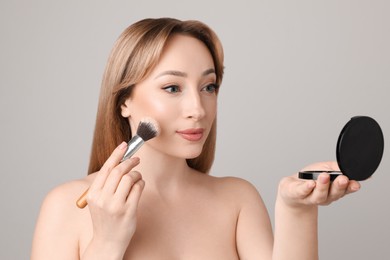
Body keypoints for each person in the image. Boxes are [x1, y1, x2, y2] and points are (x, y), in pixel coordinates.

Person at [31, 17, 360, 260]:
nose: (197, 108)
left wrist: (296, 210)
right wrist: (107, 242)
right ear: (124, 101)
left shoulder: (237, 200)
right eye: (172, 88)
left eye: (209, 87)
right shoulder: (65, 207)